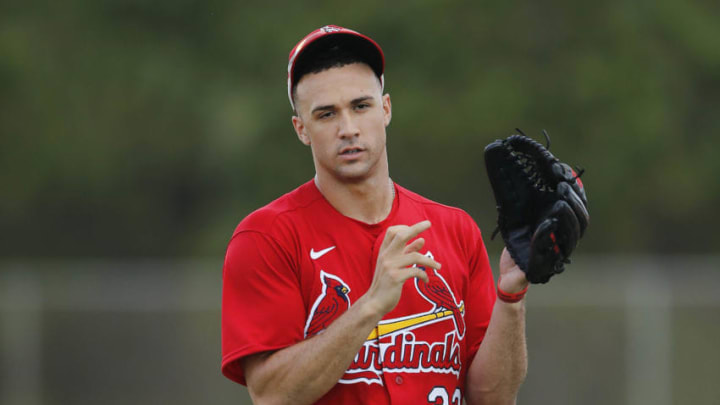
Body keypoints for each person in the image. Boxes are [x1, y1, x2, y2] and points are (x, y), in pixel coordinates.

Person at [221, 25, 529, 405]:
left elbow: (492, 399)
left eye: (360, 106)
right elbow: (272, 394)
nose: (348, 129)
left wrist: (510, 297)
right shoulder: (267, 238)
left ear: (385, 109)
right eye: (326, 114)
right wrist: (370, 305)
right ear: (302, 129)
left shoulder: (455, 230)